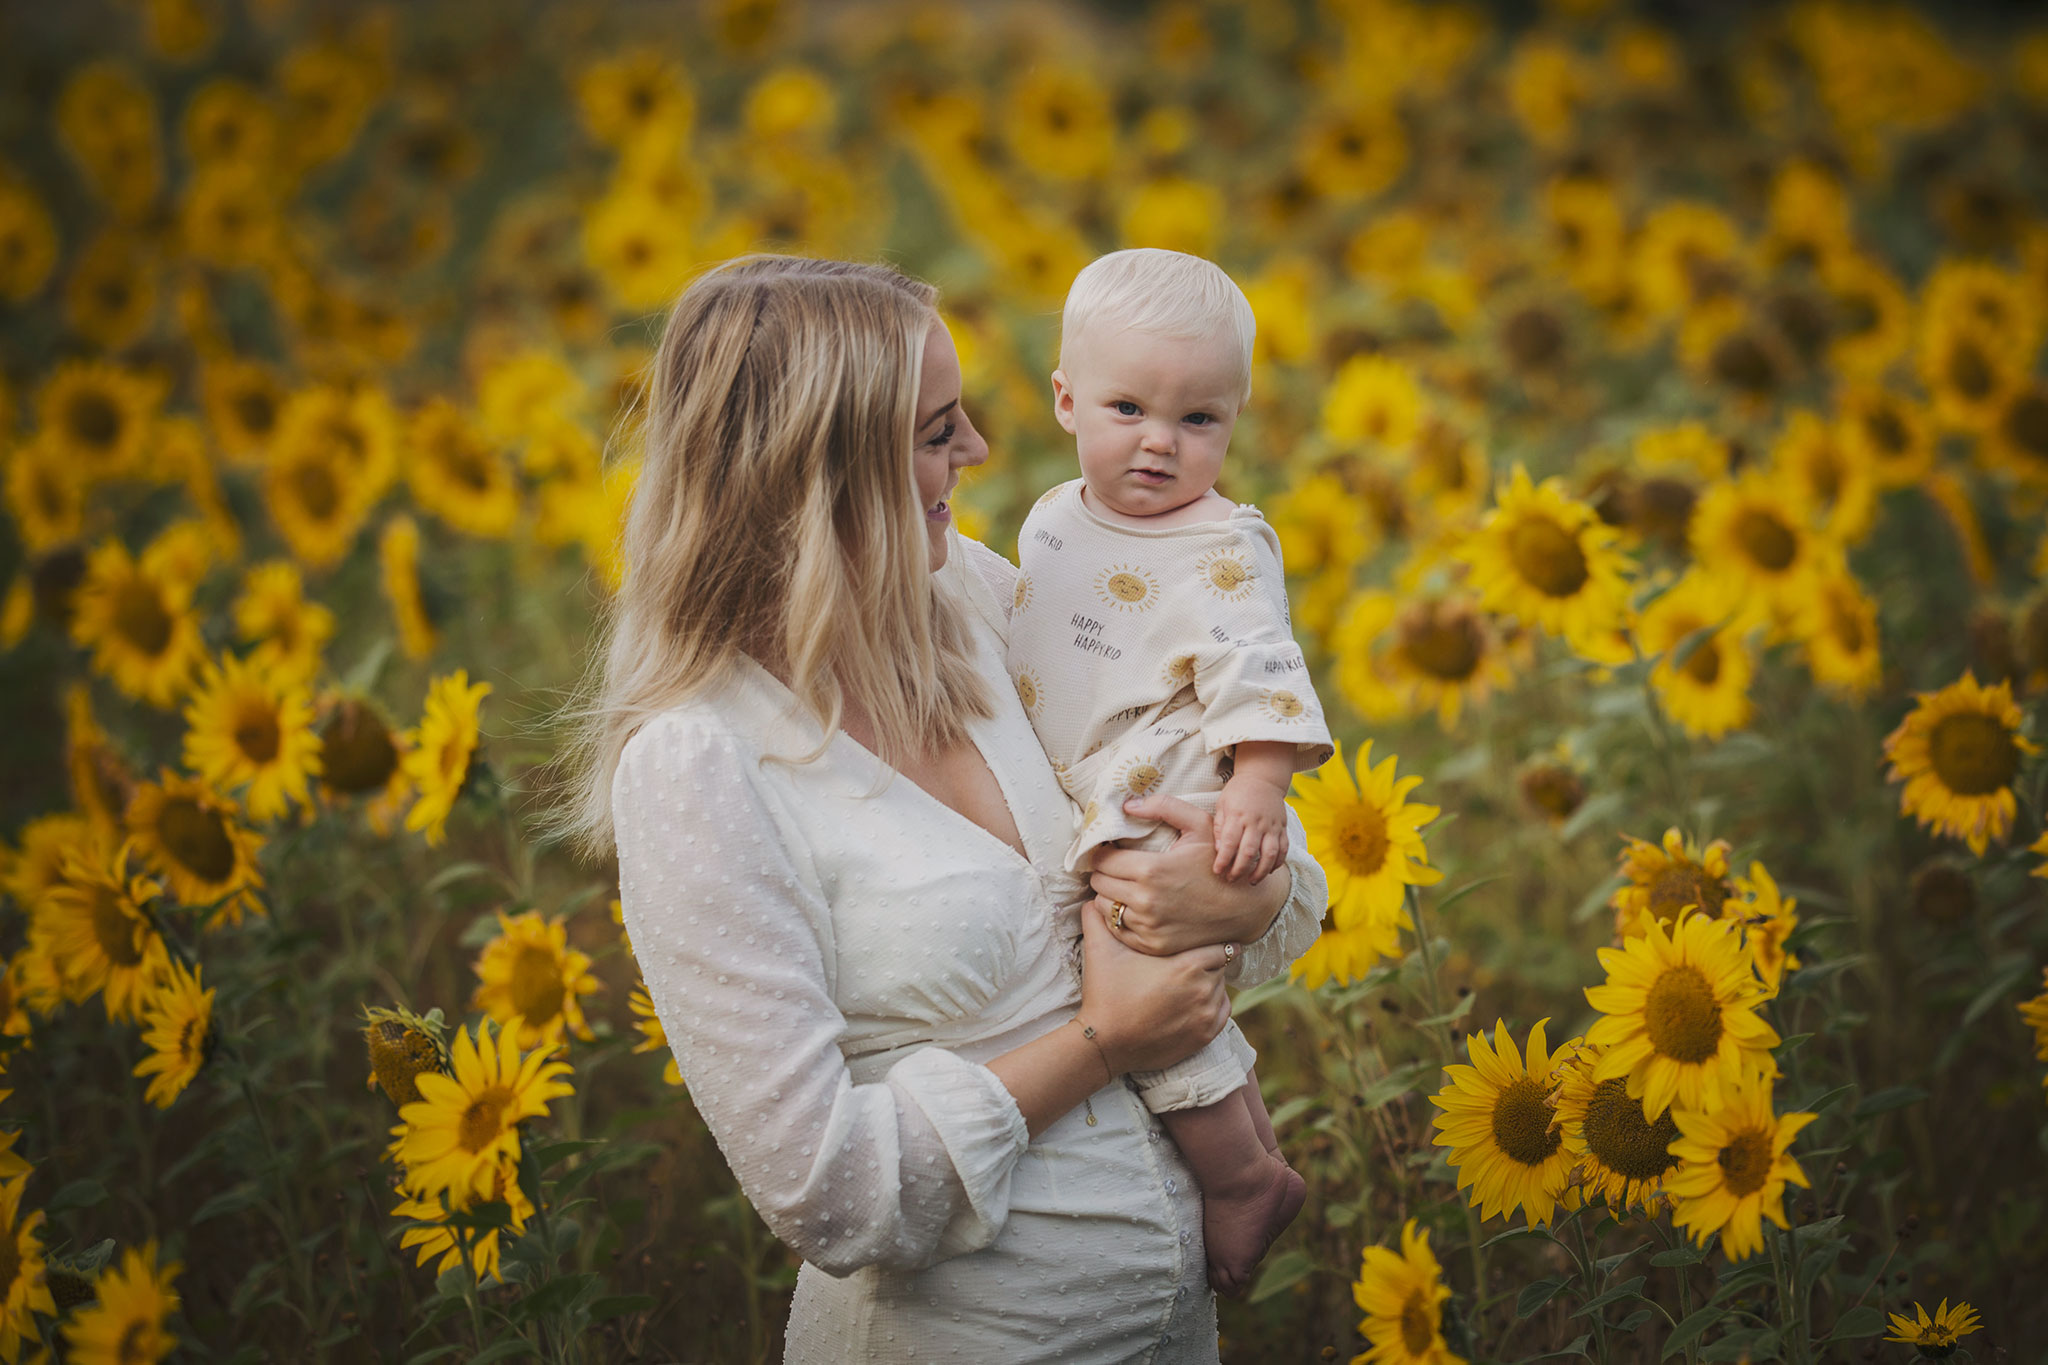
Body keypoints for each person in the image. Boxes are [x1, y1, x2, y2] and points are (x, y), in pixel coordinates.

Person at [559, 255, 1329, 1363]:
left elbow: (1268, 877)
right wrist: (1102, 1041)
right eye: (934, 430)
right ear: (816, 465)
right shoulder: (699, 763)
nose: (973, 451)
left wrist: (1232, 895)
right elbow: (830, 1194)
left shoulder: (974, 602)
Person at [1009, 247, 1332, 1296]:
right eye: (1127, 407)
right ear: (1064, 399)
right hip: (1088, 785)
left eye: (1199, 420)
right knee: (1146, 989)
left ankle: (1240, 1173)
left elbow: (1261, 674)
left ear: (1234, 418)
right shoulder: (1051, 517)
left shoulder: (1223, 547)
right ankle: (1246, 1164)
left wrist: (1255, 788)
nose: (1159, 443)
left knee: (1130, 980)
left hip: (1165, 793)